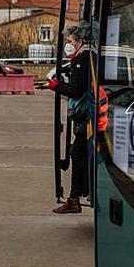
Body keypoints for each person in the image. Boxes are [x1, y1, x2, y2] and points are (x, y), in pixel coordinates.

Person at [46, 24, 108, 214]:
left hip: (88, 115)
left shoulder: (83, 57)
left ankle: (77, 199)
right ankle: (77, 197)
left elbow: (76, 90)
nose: (68, 44)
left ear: (80, 41)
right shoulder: (91, 55)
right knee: (79, 153)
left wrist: (56, 86)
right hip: (91, 114)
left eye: (70, 41)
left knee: (77, 153)